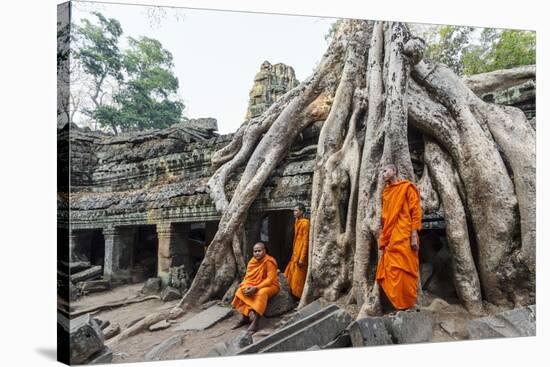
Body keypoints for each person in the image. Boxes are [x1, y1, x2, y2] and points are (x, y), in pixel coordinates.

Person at [375, 163, 422, 311]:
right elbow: (385, 215)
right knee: (392, 268)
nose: (383, 174)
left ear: (394, 171)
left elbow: (416, 211)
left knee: (406, 268)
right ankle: (397, 303)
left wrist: (414, 235)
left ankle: (407, 303)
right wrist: (383, 233)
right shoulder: (386, 192)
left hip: (405, 233)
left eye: (385, 170)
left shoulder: (407, 187)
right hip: (391, 235)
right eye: (382, 172)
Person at [231, 242, 280, 332]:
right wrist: (248, 286)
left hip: (271, 285)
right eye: (255, 251)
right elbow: (248, 278)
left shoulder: (269, 261)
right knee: (240, 290)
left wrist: (256, 288)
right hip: (254, 284)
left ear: (265, 251)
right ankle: (245, 318)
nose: (257, 253)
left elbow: (270, 280)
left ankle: (256, 321)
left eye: (259, 251)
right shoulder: (252, 262)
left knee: (261, 293)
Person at [284, 204, 310, 299]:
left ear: (302, 212)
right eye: (294, 211)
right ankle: (292, 296)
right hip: (295, 253)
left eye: (296, 210)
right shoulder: (297, 222)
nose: (294, 212)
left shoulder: (305, 223)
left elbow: (305, 241)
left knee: (298, 279)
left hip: (301, 255)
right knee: (290, 275)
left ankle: (299, 298)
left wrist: (302, 258)